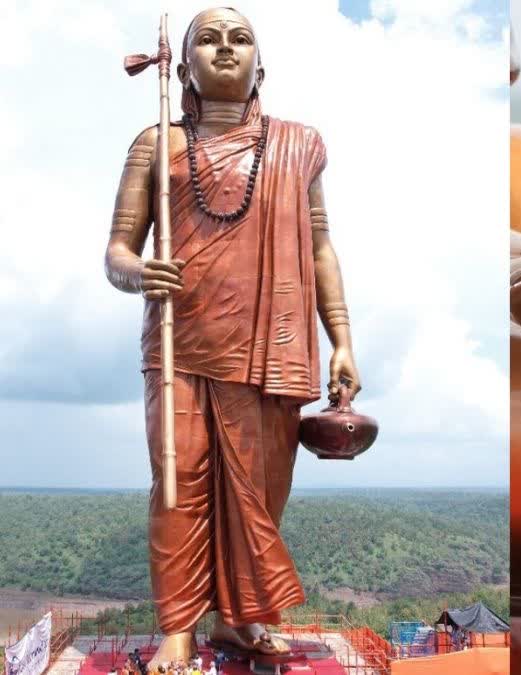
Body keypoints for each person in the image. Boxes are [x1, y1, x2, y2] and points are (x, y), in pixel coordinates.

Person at [104, 7, 364, 669]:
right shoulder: (155, 143)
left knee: (262, 495)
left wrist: (342, 339)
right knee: (178, 483)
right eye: (208, 40)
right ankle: (180, 626)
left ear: (261, 68)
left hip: (273, 344)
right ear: (183, 65)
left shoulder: (298, 145)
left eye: (239, 39)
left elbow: (321, 247)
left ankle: (242, 620)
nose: (225, 49)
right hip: (180, 342)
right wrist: (139, 274)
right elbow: (116, 251)